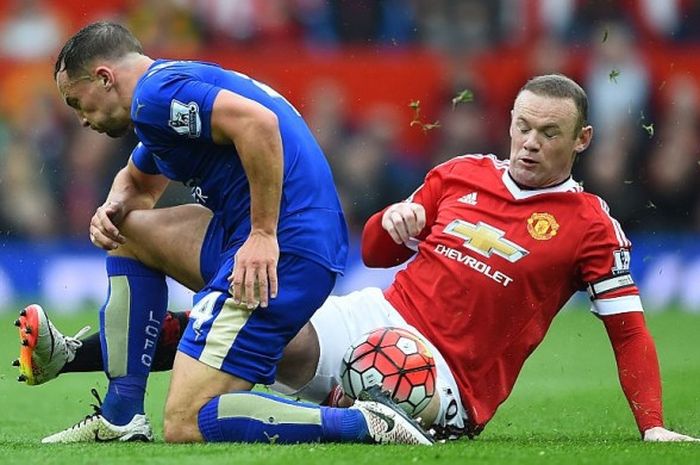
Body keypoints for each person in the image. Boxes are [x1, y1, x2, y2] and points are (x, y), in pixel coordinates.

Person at [18, 73, 698, 442]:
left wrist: (654, 426)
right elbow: (369, 247)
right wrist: (394, 224)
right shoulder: (461, 173)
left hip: (448, 376)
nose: (527, 142)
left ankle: (373, 419)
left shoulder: (590, 225)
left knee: (205, 403)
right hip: (379, 311)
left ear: (580, 139)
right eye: (521, 124)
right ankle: (83, 356)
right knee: (258, 324)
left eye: (548, 133)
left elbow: (628, 328)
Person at [29, 21, 433, 445]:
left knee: (186, 421)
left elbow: (258, 125)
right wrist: (110, 209)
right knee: (129, 233)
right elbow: (137, 183)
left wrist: (262, 233)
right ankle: (120, 416)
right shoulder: (164, 94)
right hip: (275, 236)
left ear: (105, 77)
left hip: (286, 246)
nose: (80, 119)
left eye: (77, 102)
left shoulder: (155, 97)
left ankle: (366, 423)